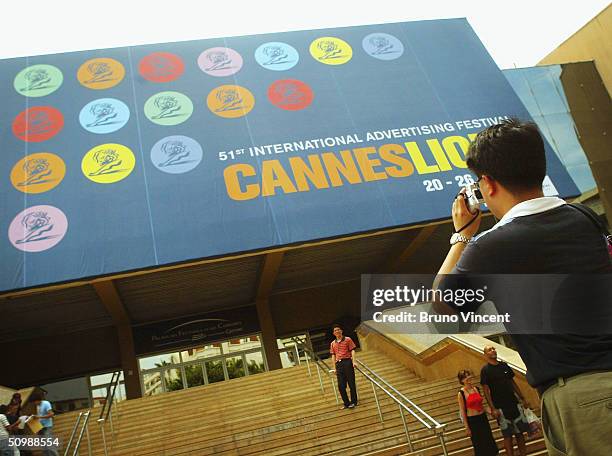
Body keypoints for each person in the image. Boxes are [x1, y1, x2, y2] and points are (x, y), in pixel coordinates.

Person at [435, 118, 612, 456]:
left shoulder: (490, 246)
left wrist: (461, 235)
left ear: (487, 184)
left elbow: (441, 308)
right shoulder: (585, 218)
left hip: (581, 397)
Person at [480, 346, 529, 456]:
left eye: (493, 348)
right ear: (485, 354)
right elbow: (486, 390)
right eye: (489, 350)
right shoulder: (485, 370)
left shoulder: (504, 366)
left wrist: (522, 398)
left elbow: (512, 382)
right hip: (500, 407)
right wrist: (492, 408)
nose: (493, 350)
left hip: (514, 403)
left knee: (520, 433)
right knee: (507, 436)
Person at [457, 369, 499, 456]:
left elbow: (481, 405)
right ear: (462, 380)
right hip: (473, 421)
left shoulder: (476, 389)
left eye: (469, 375)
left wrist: (490, 411)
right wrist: (467, 427)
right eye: (465, 377)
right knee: (479, 444)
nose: (468, 378)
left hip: (482, 418)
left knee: (488, 440)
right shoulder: (461, 393)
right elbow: (462, 411)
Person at [329, 324, 358, 409]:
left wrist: (354, 361)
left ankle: (354, 402)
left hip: (347, 362)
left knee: (351, 383)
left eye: (338, 329)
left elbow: (352, 350)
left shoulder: (348, 339)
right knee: (341, 385)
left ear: (341, 331)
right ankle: (346, 403)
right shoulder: (332, 343)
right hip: (339, 364)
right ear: (333, 333)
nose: (337, 331)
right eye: (335, 330)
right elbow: (333, 355)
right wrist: (334, 368)